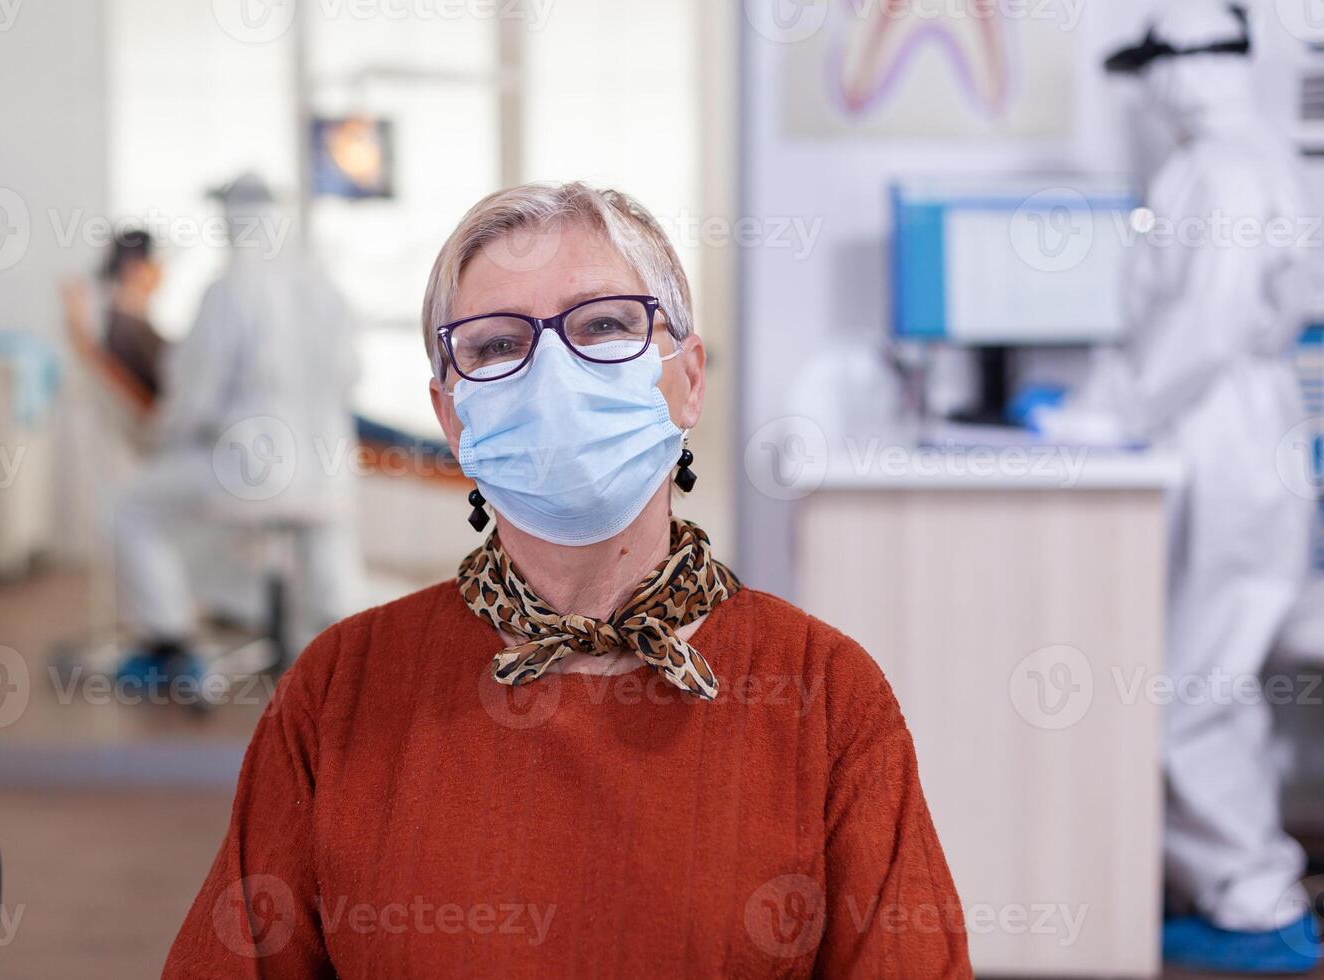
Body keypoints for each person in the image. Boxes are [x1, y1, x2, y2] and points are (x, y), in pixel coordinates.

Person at [162, 183, 972, 977]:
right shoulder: (340, 689)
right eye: (496, 345)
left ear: (688, 379)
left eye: (606, 326)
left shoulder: (825, 696)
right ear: (451, 417)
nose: (552, 373)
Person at [1039, 3, 1321, 972]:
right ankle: (1244, 885)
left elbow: (1203, 321)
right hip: (1248, 431)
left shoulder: (1219, 169)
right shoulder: (1247, 155)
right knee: (1215, 670)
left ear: (1182, 67)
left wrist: (1107, 414)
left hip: (1227, 435)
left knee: (1198, 680)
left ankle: (1256, 905)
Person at [111, 172, 362, 685]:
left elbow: (196, 396)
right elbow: (350, 374)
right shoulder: (323, 286)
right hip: (327, 471)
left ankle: (170, 639)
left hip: (250, 471)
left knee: (130, 506)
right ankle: (352, 664)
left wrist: (161, 440)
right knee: (323, 546)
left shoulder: (226, 291)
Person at [102, 229, 168, 399]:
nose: (162, 270)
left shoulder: (122, 322)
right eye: (156, 262)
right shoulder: (127, 329)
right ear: (133, 268)